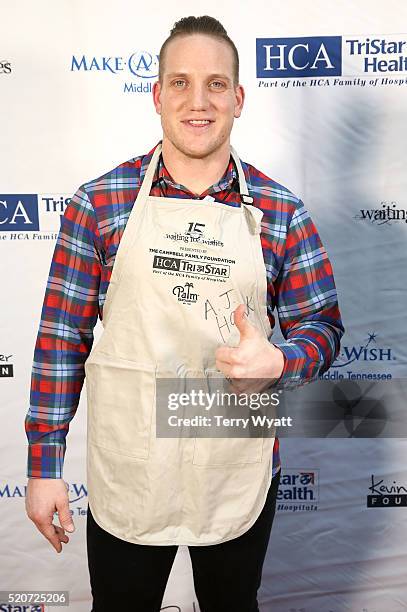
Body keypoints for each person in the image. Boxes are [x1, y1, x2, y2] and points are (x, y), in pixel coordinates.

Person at [24, 15, 344, 612]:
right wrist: (45, 465)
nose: (199, 101)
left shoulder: (281, 213)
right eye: (181, 82)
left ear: (239, 98)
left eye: (217, 84)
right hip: (132, 457)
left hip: (234, 462)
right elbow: (61, 342)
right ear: (157, 94)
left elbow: (322, 327)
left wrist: (279, 359)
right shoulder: (99, 205)